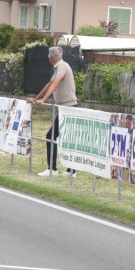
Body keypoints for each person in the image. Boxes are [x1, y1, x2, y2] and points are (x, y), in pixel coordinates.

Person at [27, 46, 78, 176]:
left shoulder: (62, 66)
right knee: (61, 137)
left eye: (49, 56)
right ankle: (68, 170)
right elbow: (49, 84)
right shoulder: (58, 68)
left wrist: (43, 99)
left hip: (69, 107)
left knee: (52, 135)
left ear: (51, 57)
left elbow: (55, 84)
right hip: (64, 107)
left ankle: (54, 169)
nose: (48, 58)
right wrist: (36, 99)